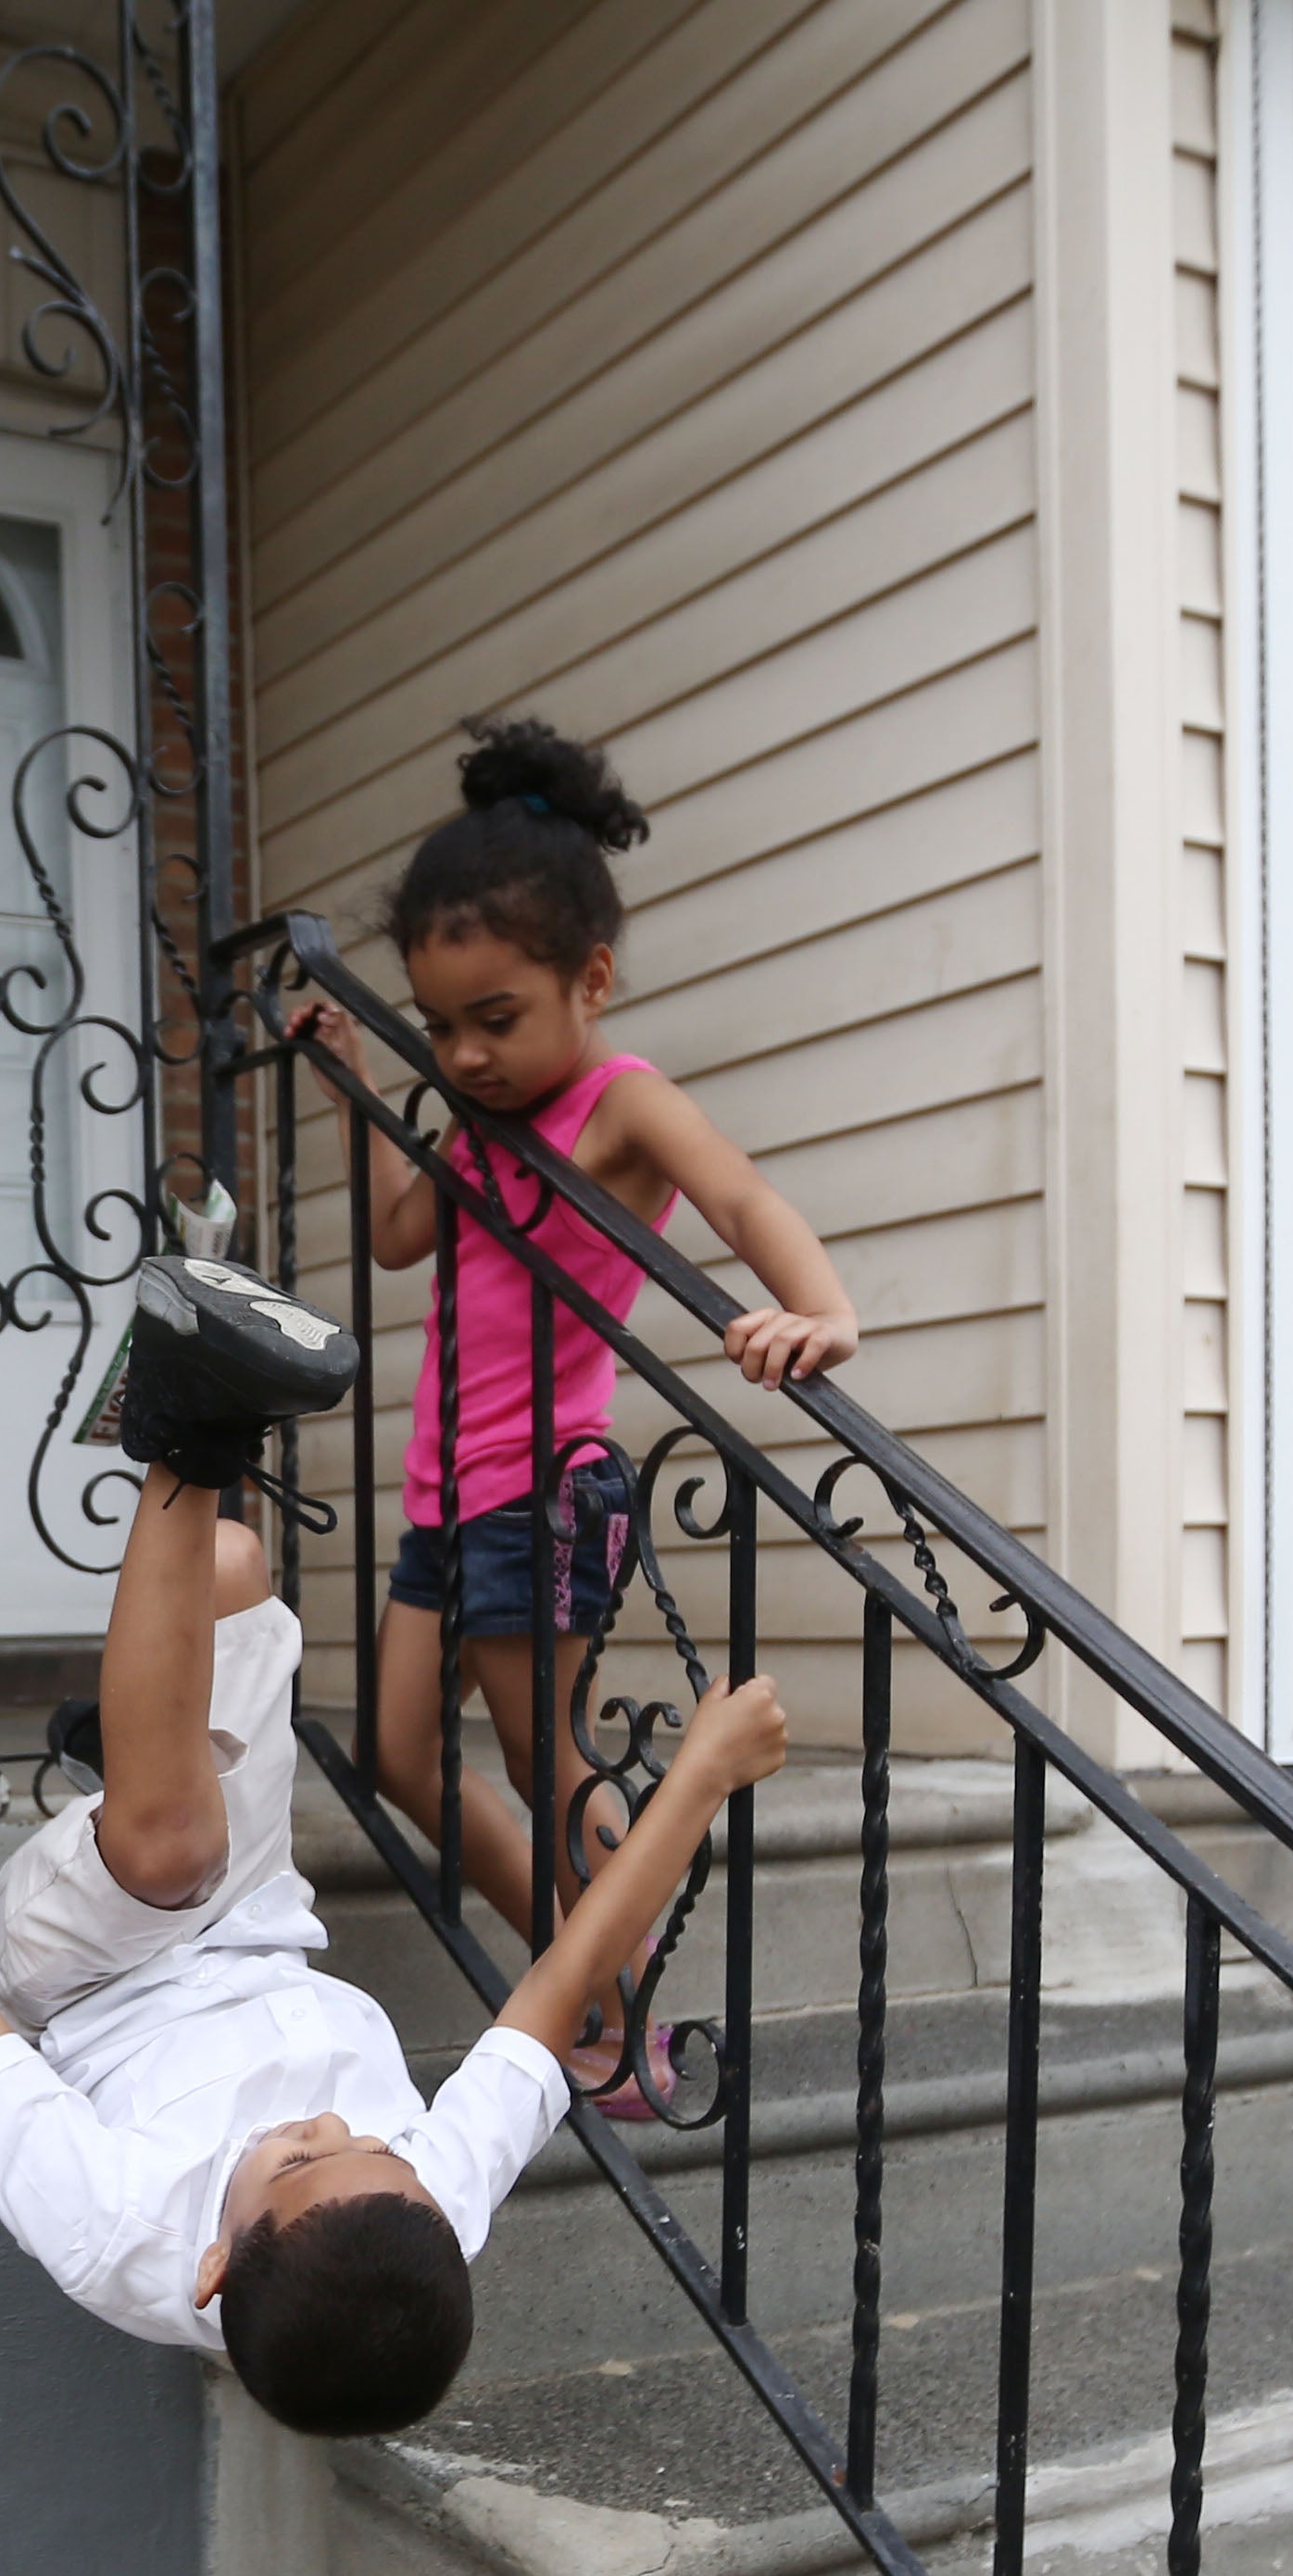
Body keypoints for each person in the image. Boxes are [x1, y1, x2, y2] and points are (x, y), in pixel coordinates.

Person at [0, 1254, 794, 2438]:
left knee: (172, 1844)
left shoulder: (113, 2227)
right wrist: (702, 1779)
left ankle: (182, 1424)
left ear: (211, 2266)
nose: (331, 2128)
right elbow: (563, 1979)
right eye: (372, 2147)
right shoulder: (425, 2209)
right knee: (234, 1569)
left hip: (95, 1966)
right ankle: (141, 1717)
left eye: (300, 2166)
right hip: (255, 1909)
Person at [298, 722, 857, 2095]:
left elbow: (743, 1201)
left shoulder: (620, 1104)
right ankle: (588, 1956)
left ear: (588, 981)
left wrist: (821, 1311)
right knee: (397, 1751)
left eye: (497, 1020)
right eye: (441, 1026)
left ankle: (620, 1999)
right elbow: (397, 1238)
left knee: (550, 1762)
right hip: (446, 1495)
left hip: (545, 1488)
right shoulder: (481, 1125)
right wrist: (363, 1089)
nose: (468, 1055)